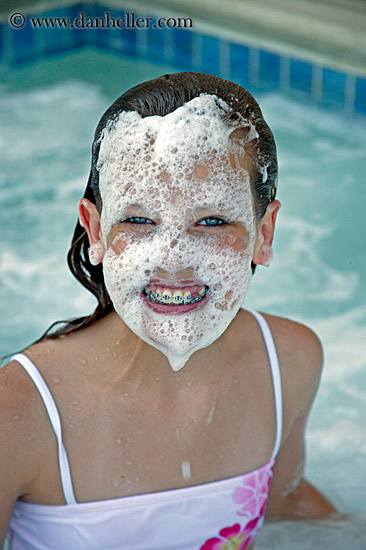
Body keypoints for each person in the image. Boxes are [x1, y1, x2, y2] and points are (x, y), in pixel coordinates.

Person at [0, 72, 337, 550]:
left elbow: (287, 505)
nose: (173, 259)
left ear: (264, 233)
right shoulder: (17, 410)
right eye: (138, 220)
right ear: (95, 230)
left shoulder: (289, 360)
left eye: (212, 221)